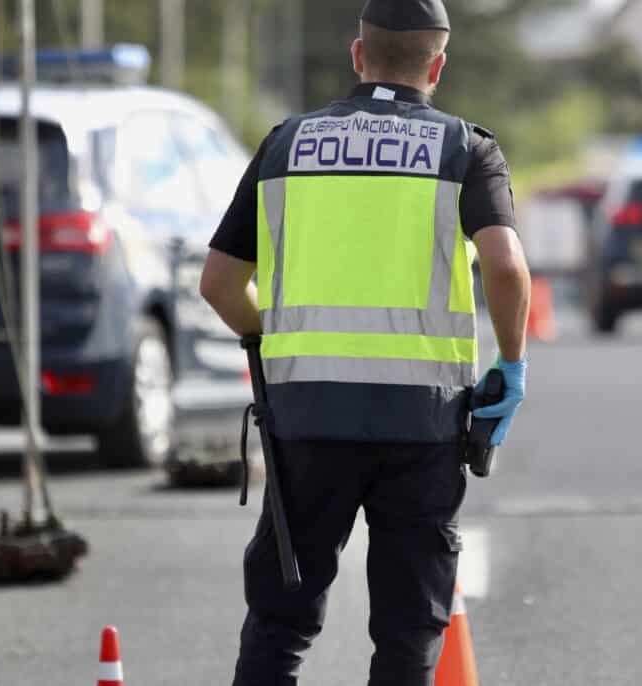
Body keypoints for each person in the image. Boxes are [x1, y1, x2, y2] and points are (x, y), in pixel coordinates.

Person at [200, 1, 531, 684]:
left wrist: (275, 339)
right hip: (422, 424)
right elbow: (505, 266)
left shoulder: (286, 144)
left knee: (279, 624)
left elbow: (220, 284)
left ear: (358, 55)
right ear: (437, 66)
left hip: (306, 418)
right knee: (408, 633)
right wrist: (513, 364)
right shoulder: (465, 149)